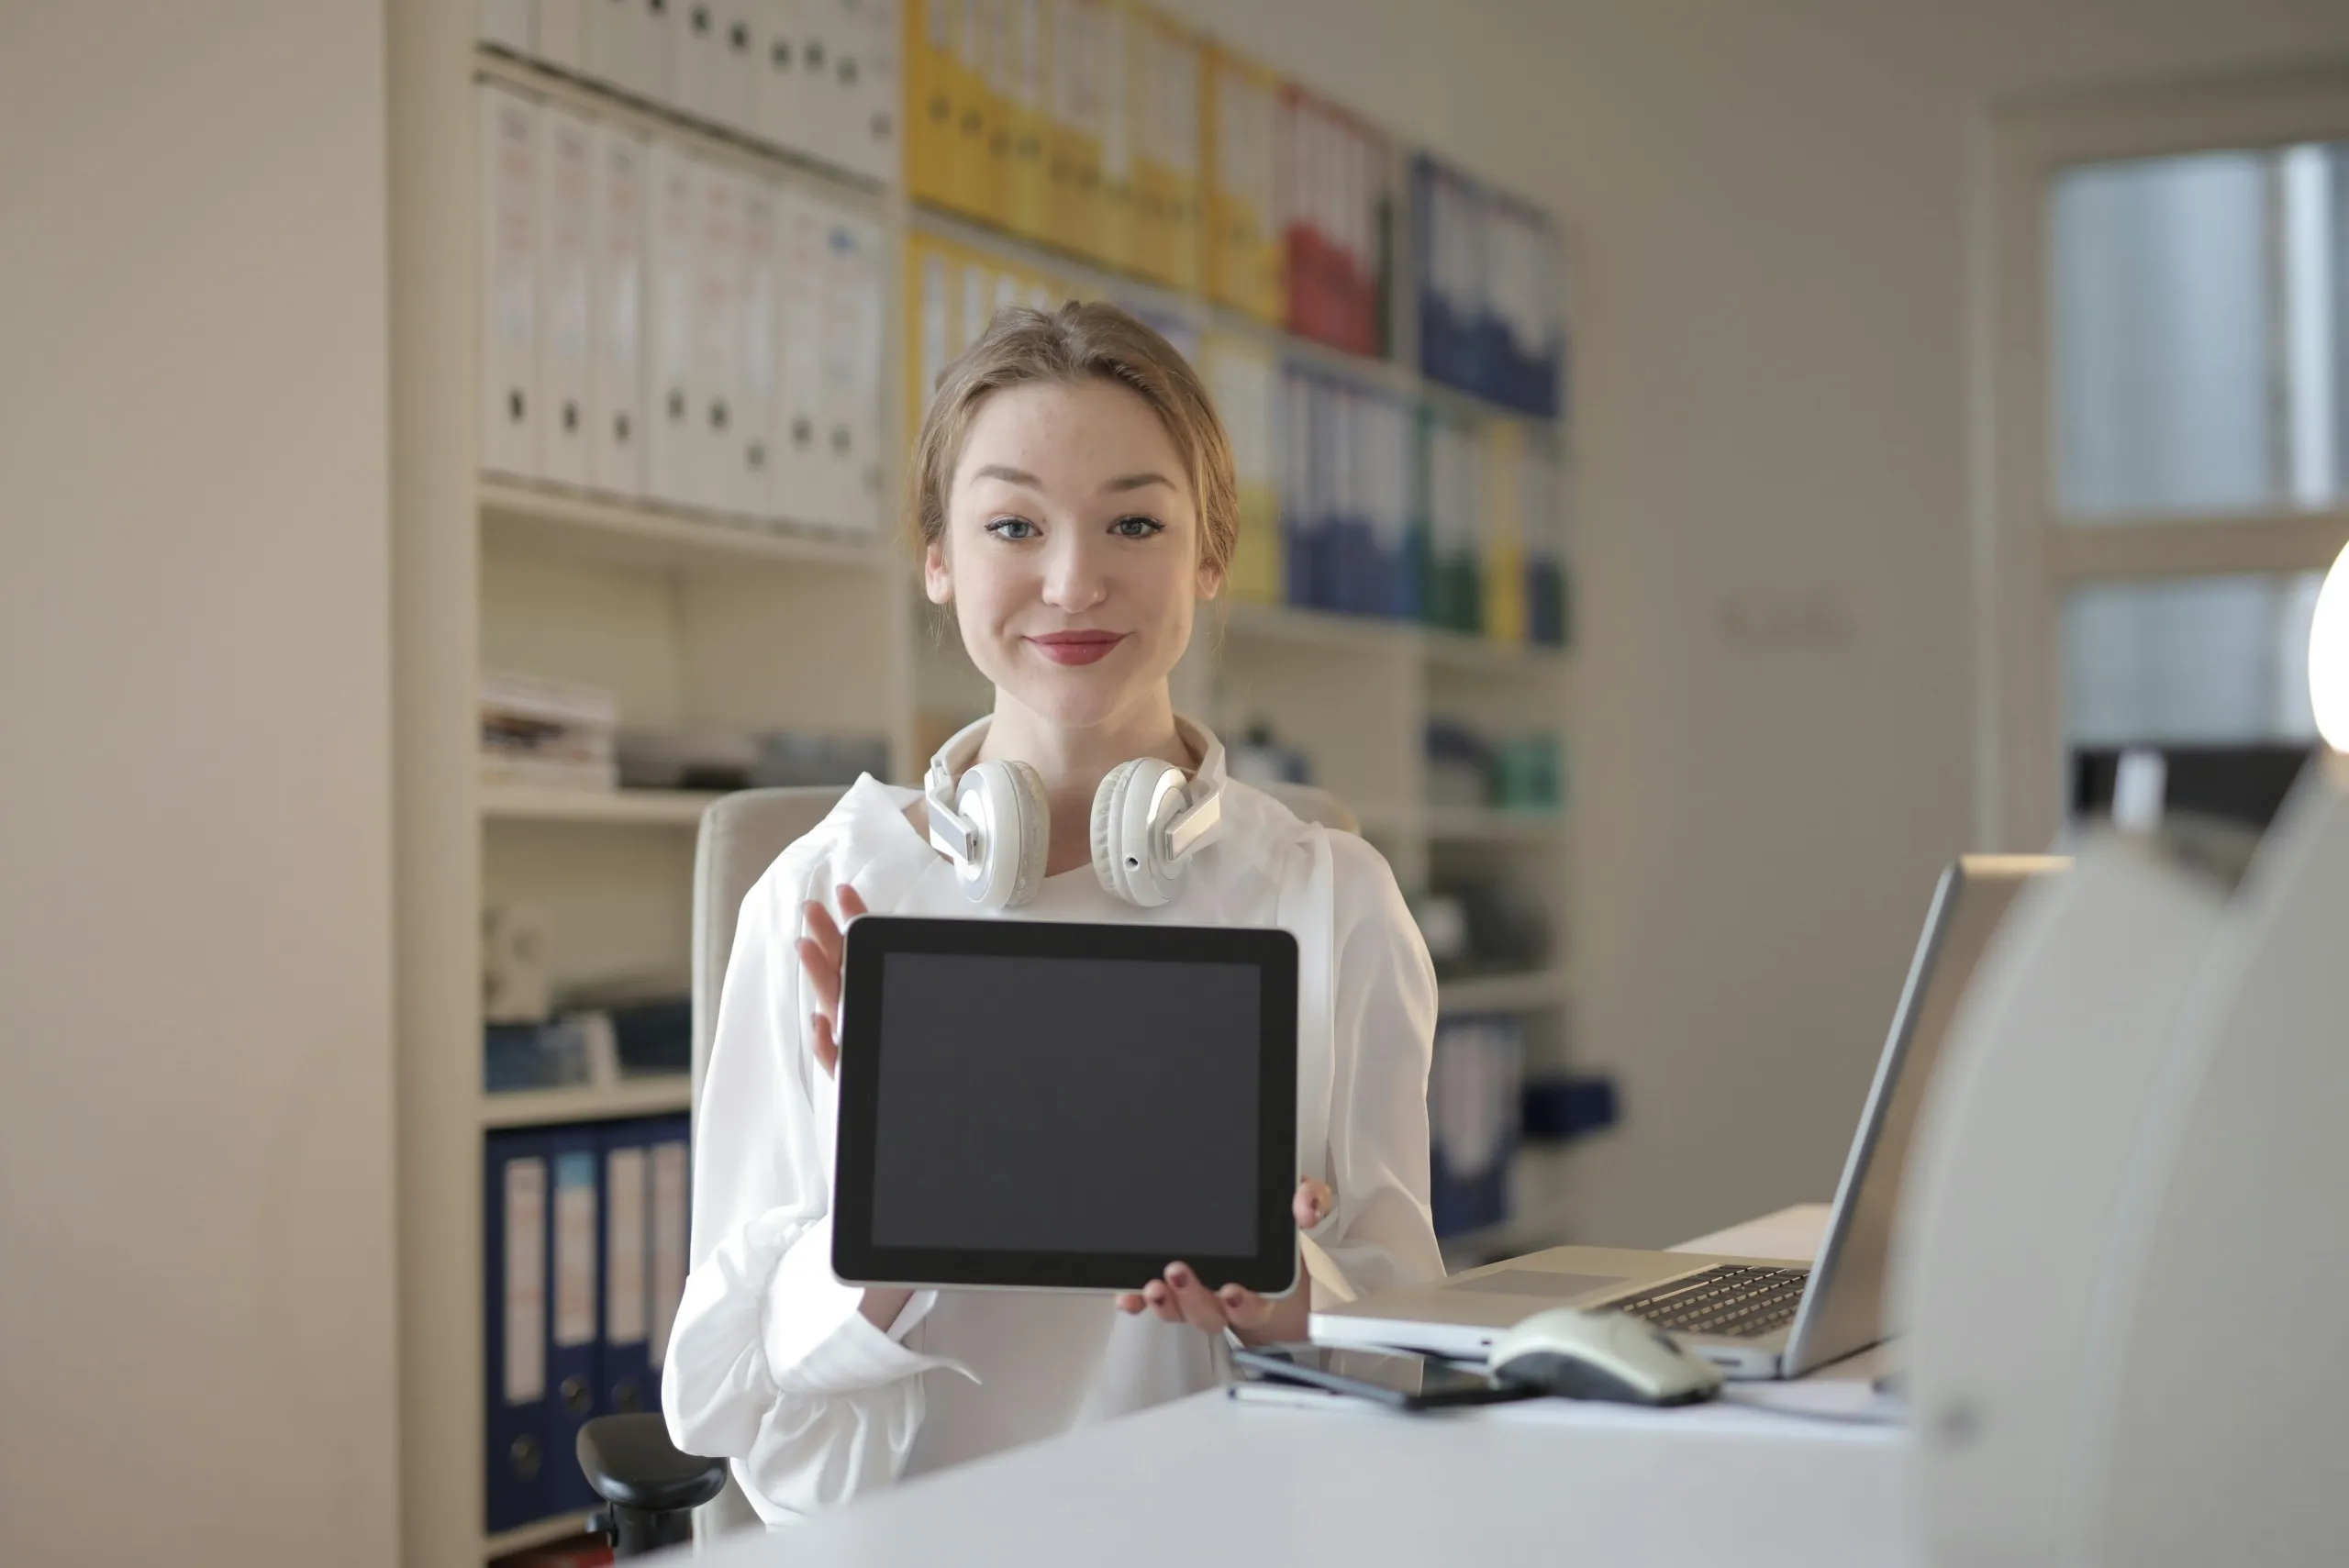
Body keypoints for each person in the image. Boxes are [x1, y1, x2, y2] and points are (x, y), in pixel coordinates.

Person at [662, 300, 1444, 1522]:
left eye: (1134, 521)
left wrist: (1301, 1301)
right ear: (939, 560)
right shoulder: (824, 897)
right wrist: (891, 1213)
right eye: (1013, 524)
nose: (1073, 581)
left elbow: (1418, 1345)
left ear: (1209, 555)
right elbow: (738, 1419)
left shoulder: (1327, 899)